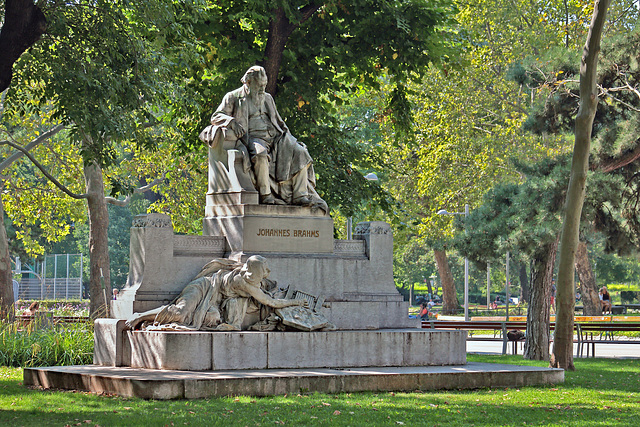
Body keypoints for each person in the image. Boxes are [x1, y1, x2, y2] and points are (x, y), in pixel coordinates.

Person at [207, 65, 328, 211]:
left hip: (276, 137)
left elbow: (278, 121)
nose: (262, 89)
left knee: (301, 151)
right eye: (259, 85)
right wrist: (231, 122)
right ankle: (265, 195)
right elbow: (216, 116)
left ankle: (300, 195)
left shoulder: (268, 98)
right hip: (255, 138)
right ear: (249, 82)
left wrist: (288, 136)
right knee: (260, 155)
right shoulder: (233, 97)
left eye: (264, 85)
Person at [125, 256, 306, 331]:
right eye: (264, 270)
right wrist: (296, 303)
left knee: (210, 318)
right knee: (181, 313)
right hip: (204, 287)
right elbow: (272, 303)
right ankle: (141, 316)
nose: (268, 273)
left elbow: (270, 299)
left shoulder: (250, 280)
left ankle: (144, 317)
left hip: (215, 299)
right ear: (256, 271)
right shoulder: (248, 284)